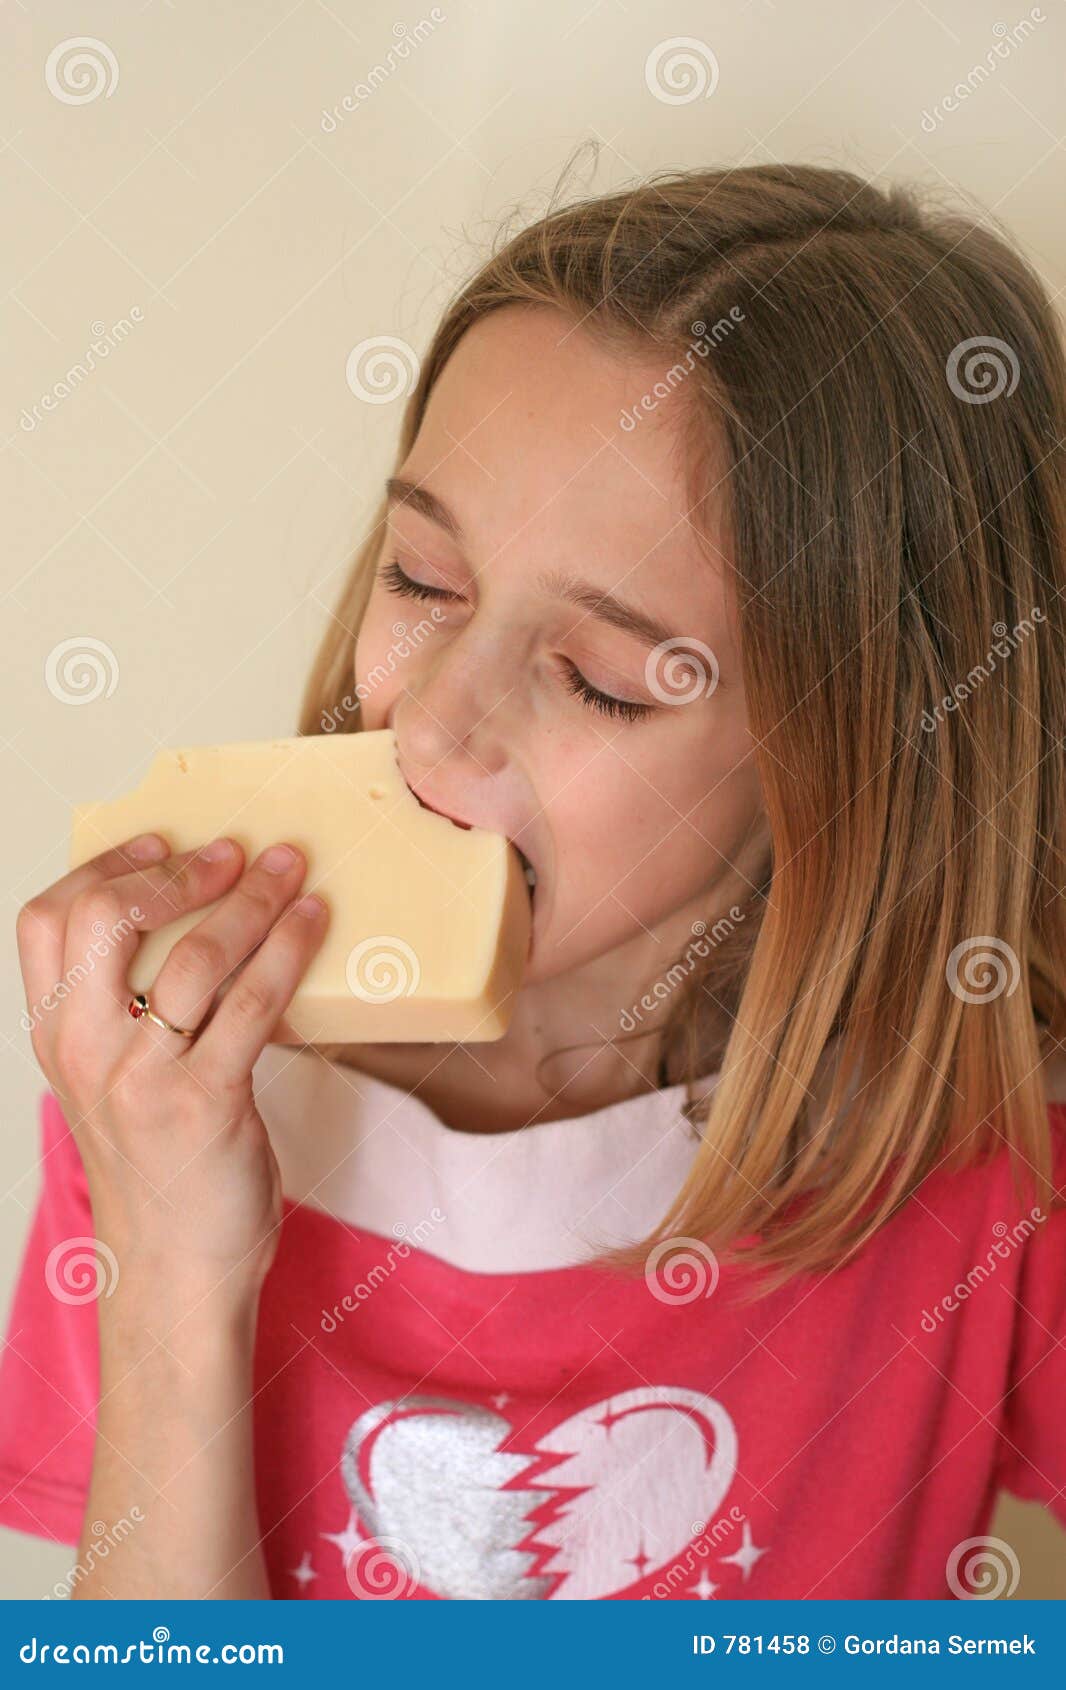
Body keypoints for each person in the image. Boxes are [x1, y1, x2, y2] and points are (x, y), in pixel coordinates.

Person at [4, 161, 1065, 1601]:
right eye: (423, 582)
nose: (430, 724)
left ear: (859, 761)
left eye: (597, 678)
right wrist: (171, 1268)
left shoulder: (988, 1151)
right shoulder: (171, 1086)